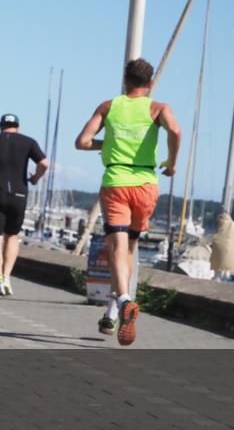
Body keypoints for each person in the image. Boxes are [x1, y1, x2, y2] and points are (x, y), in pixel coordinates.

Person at [74, 58, 180, 346]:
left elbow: (82, 141)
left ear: (125, 80)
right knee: (129, 248)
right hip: (146, 185)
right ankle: (112, 312)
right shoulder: (159, 108)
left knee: (117, 248)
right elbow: (175, 131)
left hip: (116, 182)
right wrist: (171, 163)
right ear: (150, 82)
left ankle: (122, 300)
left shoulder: (109, 107)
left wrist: (105, 144)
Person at [0, 114, 49, 298]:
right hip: (19, 194)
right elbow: (44, 163)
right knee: (12, 237)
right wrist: (35, 178)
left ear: (1, 126)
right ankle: (6, 278)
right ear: (17, 127)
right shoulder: (28, 142)